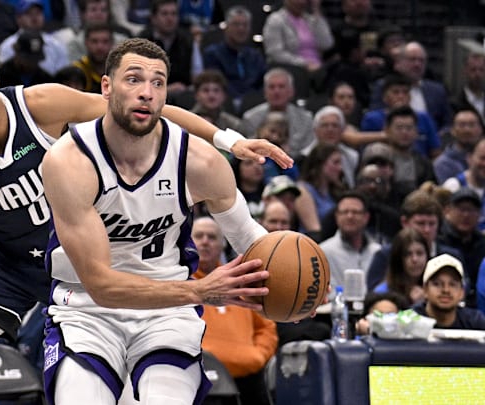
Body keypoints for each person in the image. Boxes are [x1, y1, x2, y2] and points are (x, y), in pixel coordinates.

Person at [0, 29, 291, 405]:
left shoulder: (41, 104)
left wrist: (229, 141)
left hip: (86, 257)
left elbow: (143, 112)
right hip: (9, 264)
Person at [41, 37, 298, 405]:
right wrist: (200, 290)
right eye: (133, 79)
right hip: (86, 310)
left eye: (158, 82)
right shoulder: (69, 162)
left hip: (167, 315)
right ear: (106, 87)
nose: (146, 92)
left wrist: (289, 287)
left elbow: (251, 242)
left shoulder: (201, 162)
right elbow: (101, 286)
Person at [191, 216, 277, 405]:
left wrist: (258, 355)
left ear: (222, 245)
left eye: (212, 237)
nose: (205, 241)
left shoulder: (242, 280)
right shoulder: (181, 284)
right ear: (189, 242)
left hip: (248, 375)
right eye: (199, 236)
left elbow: (266, 327)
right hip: (201, 376)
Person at [202, 5, 266, 110]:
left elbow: (262, 83)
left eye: (245, 25)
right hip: (225, 105)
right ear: (226, 27)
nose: (241, 29)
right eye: (236, 24)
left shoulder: (255, 56)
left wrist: (250, 99)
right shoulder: (213, 54)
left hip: (254, 104)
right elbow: (217, 83)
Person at [319, 191, 381, 297]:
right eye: (344, 212)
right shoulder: (322, 252)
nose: (350, 216)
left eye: (355, 212)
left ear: (366, 217)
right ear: (336, 216)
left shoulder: (378, 252)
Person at [413, 254, 485, 330]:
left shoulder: (476, 322)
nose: (446, 290)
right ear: (425, 289)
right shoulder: (409, 321)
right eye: (437, 284)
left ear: (462, 292)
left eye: (452, 284)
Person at [373, 227, 429, 306]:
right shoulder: (382, 293)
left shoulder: (434, 290)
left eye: (419, 253)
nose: (415, 259)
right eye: (408, 254)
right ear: (398, 259)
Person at [435, 109, 483, 185]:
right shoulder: (443, 164)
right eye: (462, 125)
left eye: (472, 124)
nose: (467, 130)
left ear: (480, 129)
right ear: (453, 130)